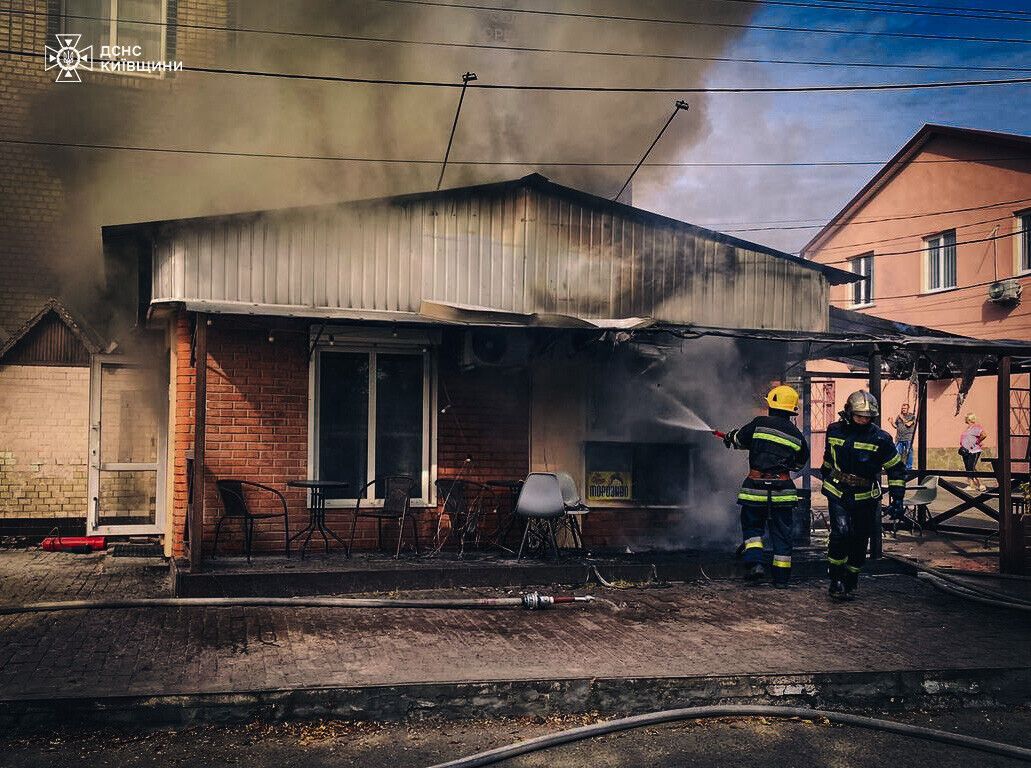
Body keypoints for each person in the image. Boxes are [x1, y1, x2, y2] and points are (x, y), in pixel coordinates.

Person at [819, 391, 906, 601]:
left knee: (859, 539)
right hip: (837, 491)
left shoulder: (881, 438)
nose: (863, 421)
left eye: (867, 417)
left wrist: (898, 498)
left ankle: (852, 575)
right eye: (859, 416)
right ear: (849, 412)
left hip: (866, 495)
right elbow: (828, 458)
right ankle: (836, 578)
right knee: (840, 533)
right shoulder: (834, 430)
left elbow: (895, 469)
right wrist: (826, 472)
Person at [723, 384, 809, 588]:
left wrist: (729, 436)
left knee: (752, 526)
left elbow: (739, 439)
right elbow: (799, 463)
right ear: (791, 410)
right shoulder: (796, 435)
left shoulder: (759, 424)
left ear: (771, 405)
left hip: (755, 489)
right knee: (782, 533)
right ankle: (781, 579)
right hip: (783, 490)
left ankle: (755, 565)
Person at [959, 413, 988, 493]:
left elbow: (984, 435)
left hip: (974, 451)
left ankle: (980, 484)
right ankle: (971, 485)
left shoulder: (976, 427)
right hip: (966, 451)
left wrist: (977, 442)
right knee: (968, 467)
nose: (965, 419)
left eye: (966, 418)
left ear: (969, 419)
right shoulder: (968, 428)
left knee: (971, 467)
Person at [893, 403, 916, 472]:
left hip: (908, 437)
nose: (903, 410)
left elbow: (908, 424)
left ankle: (909, 467)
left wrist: (902, 418)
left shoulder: (912, 416)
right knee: (896, 452)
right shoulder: (899, 416)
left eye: (905, 408)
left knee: (909, 452)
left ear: (908, 409)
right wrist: (891, 422)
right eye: (902, 408)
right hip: (899, 438)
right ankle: (896, 466)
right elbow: (896, 426)